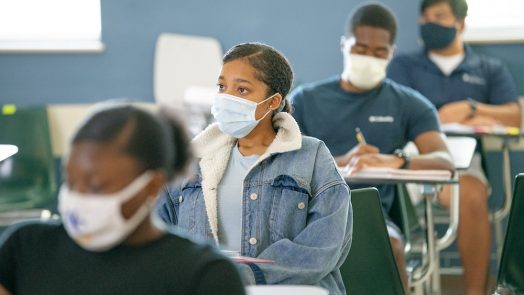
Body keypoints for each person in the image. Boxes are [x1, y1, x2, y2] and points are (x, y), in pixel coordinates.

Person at [157, 42, 352, 295]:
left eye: (242, 89)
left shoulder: (312, 156)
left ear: (273, 102)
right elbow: (159, 233)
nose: (227, 97)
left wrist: (242, 277)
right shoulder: (192, 160)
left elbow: (325, 246)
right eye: (221, 86)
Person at [288, 3, 454, 291]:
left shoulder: (408, 103)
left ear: (391, 53)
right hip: (306, 210)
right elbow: (280, 160)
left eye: (380, 53)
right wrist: (341, 160)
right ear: (344, 45)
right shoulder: (304, 100)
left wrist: (395, 162)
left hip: (371, 214)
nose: (369, 58)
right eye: (361, 49)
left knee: (389, 244)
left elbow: (444, 161)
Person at [0, 104, 246, 295]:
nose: (78, 197)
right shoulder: (26, 249)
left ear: (151, 186)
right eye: (71, 182)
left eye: (96, 186)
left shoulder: (204, 275)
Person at [387, 0, 521, 293]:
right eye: (425, 17)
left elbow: (514, 114)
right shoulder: (404, 65)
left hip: (463, 160)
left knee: (471, 196)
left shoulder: (487, 68)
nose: (429, 22)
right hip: (411, 156)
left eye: (438, 16)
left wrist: (470, 107)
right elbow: (394, 112)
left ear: (460, 24)